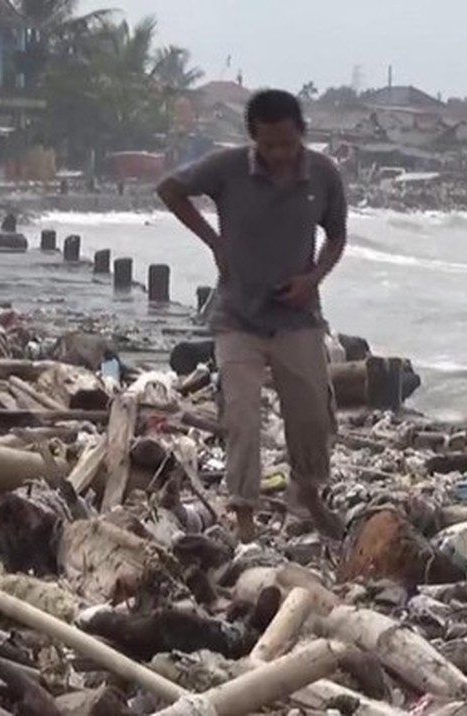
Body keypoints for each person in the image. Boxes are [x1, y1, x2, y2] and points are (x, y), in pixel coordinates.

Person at [156, 89, 348, 542]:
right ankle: (244, 518)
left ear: (302, 133)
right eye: (269, 146)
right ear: (253, 141)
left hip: (297, 319)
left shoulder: (323, 174)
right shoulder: (227, 168)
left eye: (287, 143)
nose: (280, 154)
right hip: (238, 317)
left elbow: (337, 235)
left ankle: (308, 493)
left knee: (312, 418)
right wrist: (214, 242)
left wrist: (313, 278)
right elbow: (170, 189)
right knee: (240, 418)